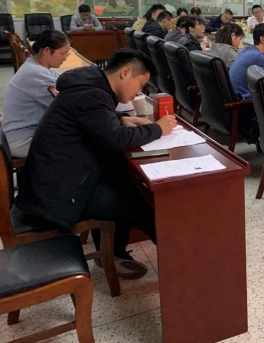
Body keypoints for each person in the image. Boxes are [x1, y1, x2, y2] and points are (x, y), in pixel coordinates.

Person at [15, 49, 178, 278]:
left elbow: (96, 123)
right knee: (140, 205)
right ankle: (181, 263)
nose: (138, 93)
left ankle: (113, 253)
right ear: (125, 72)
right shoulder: (92, 94)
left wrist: (119, 119)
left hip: (58, 181)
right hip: (57, 196)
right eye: (140, 85)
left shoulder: (92, 86)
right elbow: (117, 139)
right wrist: (158, 128)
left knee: (125, 182)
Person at [1, 30, 71, 157]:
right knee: (77, 144)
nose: (65, 59)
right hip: (21, 140)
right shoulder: (36, 73)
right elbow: (67, 102)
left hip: (18, 131)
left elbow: (62, 83)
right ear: (46, 51)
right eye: (63, 54)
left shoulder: (33, 65)